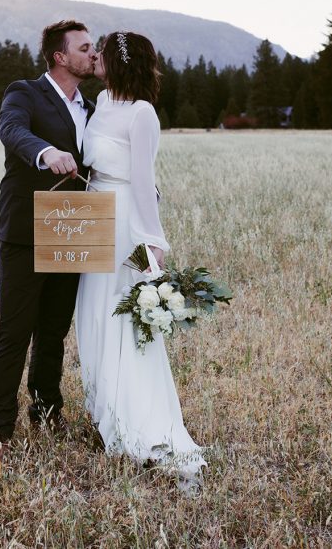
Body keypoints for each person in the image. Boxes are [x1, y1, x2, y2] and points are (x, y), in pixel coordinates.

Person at [74, 31, 205, 491]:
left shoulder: (142, 113)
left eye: (103, 51)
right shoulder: (102, 101)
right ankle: (106, 409)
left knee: (124, 320)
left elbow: (145, 181)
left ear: (118, 61)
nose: (95, 57)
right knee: (94, 314)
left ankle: (142, 421)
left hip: (126, 222)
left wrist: (152, 242)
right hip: (95, 215)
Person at [0, 20, 97, 457]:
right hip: (26, 231)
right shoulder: (24, 92)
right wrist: (45, 152)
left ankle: (47, 411)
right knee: (14, 331)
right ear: (59, 57)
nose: (93, 54)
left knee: (53, 331)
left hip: (73, 229)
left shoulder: (92, 107)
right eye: (84, 48)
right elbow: (11, 130)